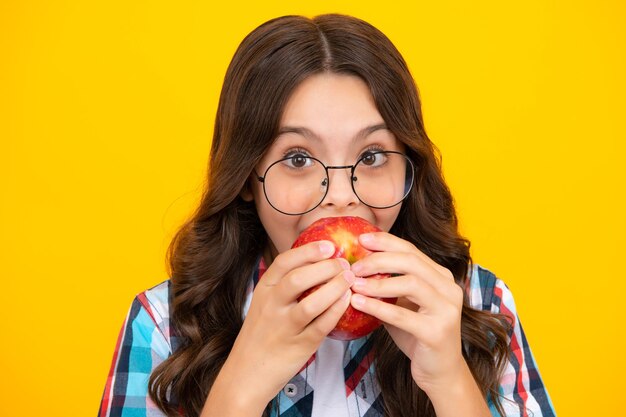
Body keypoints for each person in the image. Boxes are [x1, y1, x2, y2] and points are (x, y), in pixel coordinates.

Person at [98, 14, 555, 417]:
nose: (340, 197)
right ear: (244, 178)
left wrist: (452, 383)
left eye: (373, 155)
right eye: (297, 158)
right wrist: (240, 391)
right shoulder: (165, 325)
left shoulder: (478, 304)